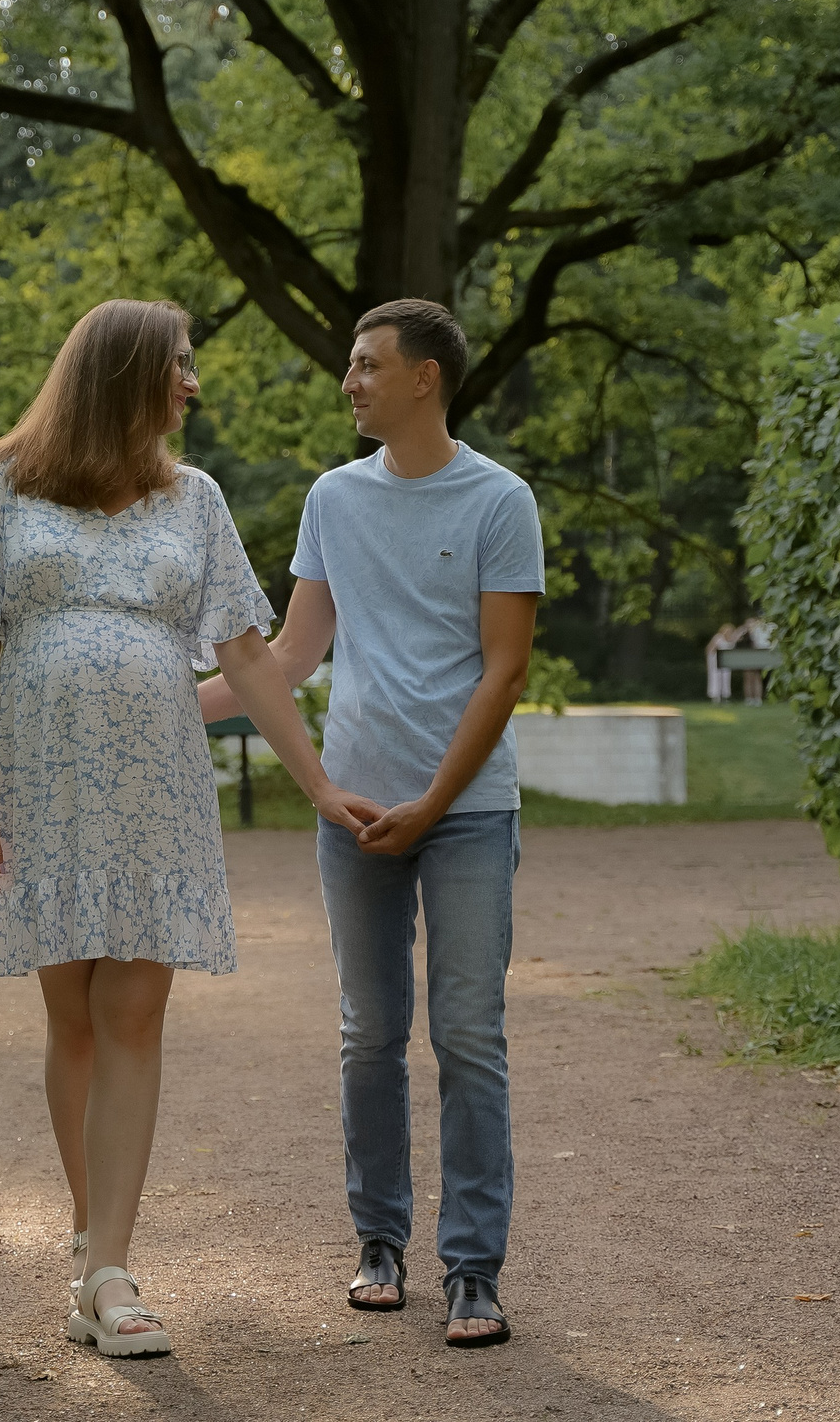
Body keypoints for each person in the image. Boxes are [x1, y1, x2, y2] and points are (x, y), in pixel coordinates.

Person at [0, 297, 381, 1360]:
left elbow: (248, 658)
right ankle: (90, 1234)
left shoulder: (198, 499)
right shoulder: (4, 479)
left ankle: (111, 1275)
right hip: (42, 779)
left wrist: (318, 787)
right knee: (75, 1017)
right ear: (125, 370)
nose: (193, 385)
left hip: (156, 792)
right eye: (180, 366)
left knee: (132, 1012)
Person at [197, 297, 542, 1349]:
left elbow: (505, 667)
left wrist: (435, 799)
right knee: (367, 1035)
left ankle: (473, 1269)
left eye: (364, 364)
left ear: (424, 376)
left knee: (469, 1037)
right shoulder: (332, 500)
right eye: (348, 365)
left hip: (466, 810)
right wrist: (153, 702)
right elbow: (288, 662)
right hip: (350, 804)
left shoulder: (499, 499)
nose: (347, 380)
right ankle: (378, 1244)